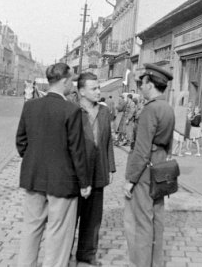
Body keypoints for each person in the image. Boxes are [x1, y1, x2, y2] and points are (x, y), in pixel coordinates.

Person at [16, 63, 91, 267]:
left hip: (33, 178)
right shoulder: (72, 110)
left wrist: (35, 160)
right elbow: (77, 150)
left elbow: (21, 141)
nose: (72, 85)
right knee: (58, 235)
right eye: (72, 81)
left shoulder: (30, 106)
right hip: (63, 181)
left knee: (31, 230)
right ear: (65, 81)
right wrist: (84, 182)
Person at [124, 63, 175, 267]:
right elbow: (169, 143)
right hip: (161, 167)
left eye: (143, 83)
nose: (141, 87)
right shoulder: (167, 108)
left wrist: (130, 179)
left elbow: (142, 149)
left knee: (141, 223)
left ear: (151, 84)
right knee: (157, 219)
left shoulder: (150, 109)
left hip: (145, 172)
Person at [72, 72, 116, 266]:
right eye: (94, 88)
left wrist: (111, 167)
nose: (99, 91)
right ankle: (64, 252)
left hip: (98, 169)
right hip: (76, 172)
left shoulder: (104, 111)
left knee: (93, 216)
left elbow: (108, 141)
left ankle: (87, 253)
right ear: (81, 91)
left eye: (99, 88)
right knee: (72, 214)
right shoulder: (72, 110)